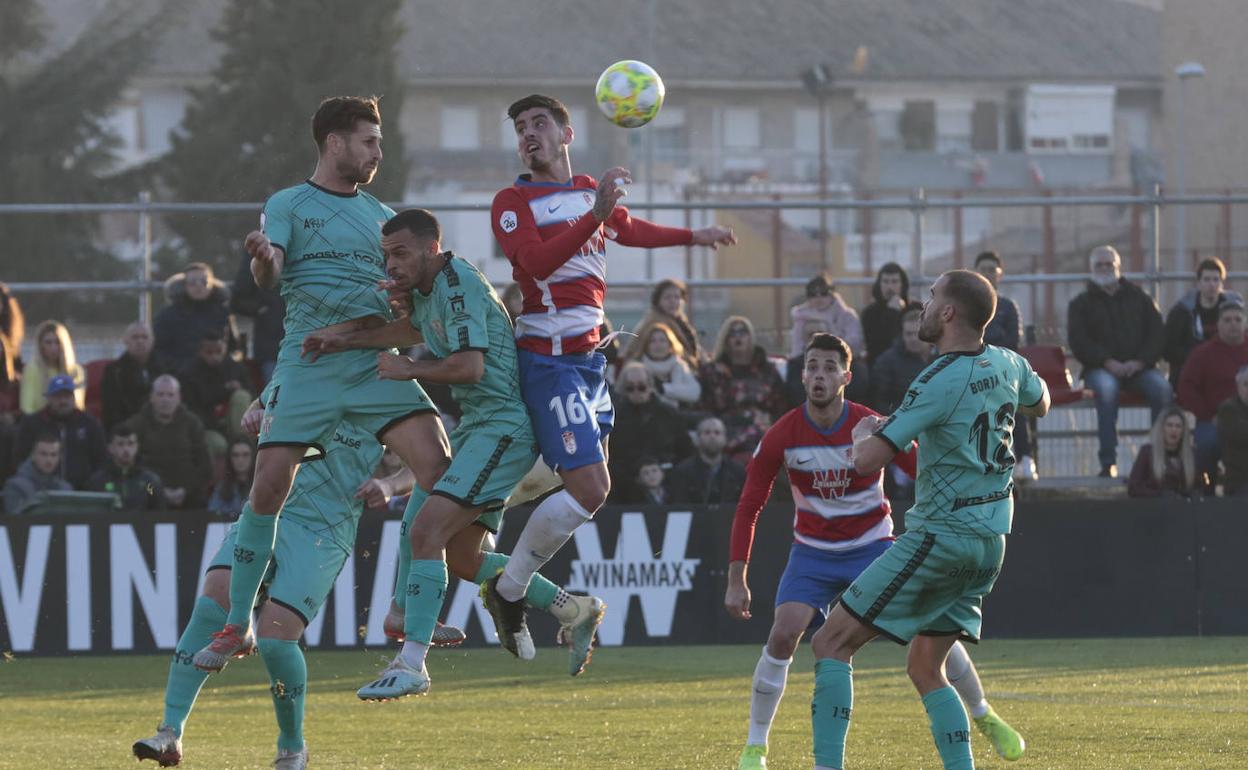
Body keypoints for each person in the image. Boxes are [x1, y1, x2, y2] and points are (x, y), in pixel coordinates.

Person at [192, 97, 458, 673]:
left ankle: (404, 609)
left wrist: (404, 296)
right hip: (309, 363)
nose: (378, 152)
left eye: (379, 142)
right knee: (268, 488)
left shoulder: (382, 216)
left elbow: (403, 295)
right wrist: (262, 258)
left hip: (371, 362)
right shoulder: (288, 204)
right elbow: (271, 273)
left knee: (439, 468)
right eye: (369, 141)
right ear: (335, 142)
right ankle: (238, 622)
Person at [300, 208, 607, 700]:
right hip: (477, 428)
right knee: (463, 558)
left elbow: (469, 367)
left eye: (400, 254)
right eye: (386, 256)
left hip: (502, 430)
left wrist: (409, 370)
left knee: (426, 532)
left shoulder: (458, 286)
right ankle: (573, 608)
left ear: (431, 248)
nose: (391, 265)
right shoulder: (428, 289)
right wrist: (343, 340)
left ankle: (411, 661)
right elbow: (414, 331)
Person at [486, 93, 735, 627]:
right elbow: (536, 263)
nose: (528, 134)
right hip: (549, 361)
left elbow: (629, 228)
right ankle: (508, 587)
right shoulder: (512, 201)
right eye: (521, 127)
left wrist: (695, 236)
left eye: (540, 123)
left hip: (589, 363)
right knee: (591, 489)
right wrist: (594, 217)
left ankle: (497, 546)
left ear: (566, 135)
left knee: (582, 485)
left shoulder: (585, 191)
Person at [725, 332, 1024, 770]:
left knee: (929, 634)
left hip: (873, 547)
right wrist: (737, 579)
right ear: (802, 376)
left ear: (846, 377)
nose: (819, 375)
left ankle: (983, 713)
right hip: (813, 553)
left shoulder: (870, 424)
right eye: (812, 366)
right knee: (784, 633)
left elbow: (925, 469)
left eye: (830, 367)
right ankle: (756, 747)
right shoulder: (782, 434)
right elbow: (750, 504)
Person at [807, 270, 1050, 770]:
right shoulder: (1009, 362)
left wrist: (864, 433)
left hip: (943, 536)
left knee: (829, 641)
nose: (923, 304)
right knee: (925, 666)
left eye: (932, 296)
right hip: (990, 543)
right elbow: (1040, 402)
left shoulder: (937, 379)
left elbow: (867, 461)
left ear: (948, 313)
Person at [132, 397, 445, 770]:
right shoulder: (303, 366)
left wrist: (390, 485)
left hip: (325, 531)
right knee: (213, 601)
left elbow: (432, 460)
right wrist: (254, 415)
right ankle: (170, 731)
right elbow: (260, 404)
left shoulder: (389, 387)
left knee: (276, 636)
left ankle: (292, 747)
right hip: (268, 509)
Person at [1068, 245, 1171, 477]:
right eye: (1099, 265)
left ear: (1119, 267)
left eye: (1109, 264)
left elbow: (1157, 334)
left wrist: (1140, 362)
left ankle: (1159, 459)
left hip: (1140, 369)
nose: (1105, 268)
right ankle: (1108, 462)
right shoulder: (1080, 304)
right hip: (1100, 370)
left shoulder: (1140, 298)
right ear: (1091, 269)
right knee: (1106, 391)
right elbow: (1079, 341)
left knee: (1162, 389)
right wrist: (1107, 362)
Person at [975, 250, 1036, 483]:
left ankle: (1025, 458)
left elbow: (1012, 342)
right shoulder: (967, 306)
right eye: (983, 269)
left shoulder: (1008, 307)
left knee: (1013, 400)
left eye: (992, 270)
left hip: (1002, 368)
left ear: (1000, 274)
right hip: (972, 368)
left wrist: (988, 342)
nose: (988, 274)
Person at [1177, 300, 1248, 489]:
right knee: (1207, 446)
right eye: (1227, 320)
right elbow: (1186, 388)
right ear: (1218, 324)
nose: (1233, 324)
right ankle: (1206, 492)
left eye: (1237, 319)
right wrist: (1208, 415)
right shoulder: (1203, 354)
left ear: (1245, 323)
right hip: (1213, 420)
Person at [699, 316, 788, 465]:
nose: (738, 337)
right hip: (727, 434)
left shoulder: (767, 370)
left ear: (750, 337)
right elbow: (706, 408)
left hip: (763, 431)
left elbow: (781, 405)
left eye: (742, 332)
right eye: (732, 333)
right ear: (725, 339)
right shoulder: (712, 372)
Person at [608, 362, 693, 501]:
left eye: (641, 387)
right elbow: (609, 455)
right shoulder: (613, 417)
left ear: (650, 386)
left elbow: (685, 450)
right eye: (630, 388)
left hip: (668, 483)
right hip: (626, 488)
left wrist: (664, 473)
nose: (636, 391)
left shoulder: (668, 414)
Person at [125, 375, 212, 510]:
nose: (165, 400)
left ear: (179, 398)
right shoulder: (135, 425)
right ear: (151, 397)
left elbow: (204, 466)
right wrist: (159, 492)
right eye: (160, 394)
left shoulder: (193, 424)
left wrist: (185, 490)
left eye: (170, 395)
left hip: (187, 494)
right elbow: (131, 466)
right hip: (150, 491)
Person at [15, 374, 106, 489]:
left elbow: (101, 460)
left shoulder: (89, 424)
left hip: (83, 492)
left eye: (67, 396)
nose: (63, 401)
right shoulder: (32, 424)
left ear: (73, 397)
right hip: (41, 491)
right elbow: (20, 458)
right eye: (58, 396)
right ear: (49, 398)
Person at [1164, 257, 1243, 389]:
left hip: (1227, 366)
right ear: (1198, 283)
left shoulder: (1234, 312)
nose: (1211, 284)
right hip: (1190, 368)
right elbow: (1169, 349)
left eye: (1216, 280)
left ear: (1222, 283)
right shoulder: (1182, 312)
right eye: (1206, 279)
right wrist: (1200, 357)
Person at [177, 331, 254, 454]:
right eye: (209, 353)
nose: (215, 357)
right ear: (200, 352)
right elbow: (196, 406)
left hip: (232, 421)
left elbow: (252, 393)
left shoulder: (235, 368)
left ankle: (244, 445)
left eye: (219, 352)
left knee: (242, 396)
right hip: (207, 427)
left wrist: (238, 388)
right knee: (219, 445)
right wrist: (225, 390)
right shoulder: (189, 374)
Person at [153, 262, 239, 372]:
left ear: (212, 284)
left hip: (218, 372)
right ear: (184, 285)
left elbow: (233, 347)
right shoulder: (167, 315)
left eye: (204, 281)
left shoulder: (223, 313)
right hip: (181, 373)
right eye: (192, 282)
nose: (199, 286)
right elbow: (159, 350)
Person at [231, 250, 286, 386]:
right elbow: (238, 297)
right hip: (273, 343)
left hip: (312, 340)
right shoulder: (260, 249)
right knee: (277, 392)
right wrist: (262, 310)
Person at [666, 416, 746, 505]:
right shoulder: (682, 472)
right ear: (697, 439)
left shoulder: (738, 471)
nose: (712, 436)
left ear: (725, 439)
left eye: (717, 433)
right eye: (707, 432)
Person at [101, 322, 167, 430]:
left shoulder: (166, 369)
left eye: (144, 337)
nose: (140, 341)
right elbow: (111, 410)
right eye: (135, 337)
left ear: (152, 341)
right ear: (126, 341)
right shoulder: (114, 372)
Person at [869, 306, 933, 414]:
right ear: (902, 334)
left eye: (917, 333)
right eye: (908, 334)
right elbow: (879, 402)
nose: (913, 339)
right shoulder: (886, 362)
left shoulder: (943, 356)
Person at [623, 321, 701, 408]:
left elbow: (694, 393)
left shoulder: (680, 366)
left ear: (670, 345)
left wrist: (664, 389)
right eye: (652, 341)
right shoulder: (637, 368)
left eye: (662, 340)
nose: (658, 345)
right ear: (646, 346)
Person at [86, 424, 164, 510]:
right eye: (120, 444)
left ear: (137, 446)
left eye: (130, 444)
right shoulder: (98, 482)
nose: (126, 449)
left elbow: (157, 510)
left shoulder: (149, 482)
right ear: (110, 448)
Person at [1127, 406, 1198, 499]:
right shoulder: (1147, 452)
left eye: (1178, 426)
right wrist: (1159, 495)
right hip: (1155, 505)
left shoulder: (1192, 455)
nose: (1174, 430)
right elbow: (1133, 487)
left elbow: (1198, 488)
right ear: (1161, 428)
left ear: (1183, 431)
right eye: (1169, 425)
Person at [627, 278, 702, 365]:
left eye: (677, 297)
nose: (672, 301)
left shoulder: (680, 319)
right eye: (667, 298)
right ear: (658, 301)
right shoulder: (654, 322)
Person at [789, 273, 864, 358]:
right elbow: (797, 348)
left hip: (842, 359)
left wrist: (831, 345)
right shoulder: (801, 316)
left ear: (832, 294)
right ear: (808, 297)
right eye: (813, 294)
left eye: (824, 293)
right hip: (810, 360)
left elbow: (855, 341)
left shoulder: (846, 315)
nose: (819, 297)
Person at [19, 320, 85, 413]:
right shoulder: (31, 370)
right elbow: (26, 408)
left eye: (57, 342)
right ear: (40, 345)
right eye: (48, 342)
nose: (53, 348)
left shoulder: (75, 371)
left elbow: (78, 405)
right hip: (40, 420)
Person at [3, 432, 72, 513]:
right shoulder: (15, 486)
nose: (49, 460)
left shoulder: (65, 488)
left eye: (53, 455)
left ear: (59, 457)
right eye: (43, 454)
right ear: (33, 455)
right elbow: (14, 517)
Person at [860, 262, 911, 368]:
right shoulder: (869, 313)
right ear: (879, 284)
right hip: (880, 367)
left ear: (902, 284)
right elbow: (876, 346)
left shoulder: (913, 309)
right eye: (885, 281)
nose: (890, 286)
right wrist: (892, 313)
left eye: (894, 281)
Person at [1217, 366, 1248, 496]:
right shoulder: (1228, 409)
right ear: (1238, 386)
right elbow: (1242, 435)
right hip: (1239, 480)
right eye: (1246, 384)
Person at [207, 439, 255, 519]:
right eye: (235, 455)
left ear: (253, 457)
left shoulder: (261, 487)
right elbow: (212, 515)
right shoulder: (221, 488)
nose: (240, 460)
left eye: (245, 455)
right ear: (230, 458)